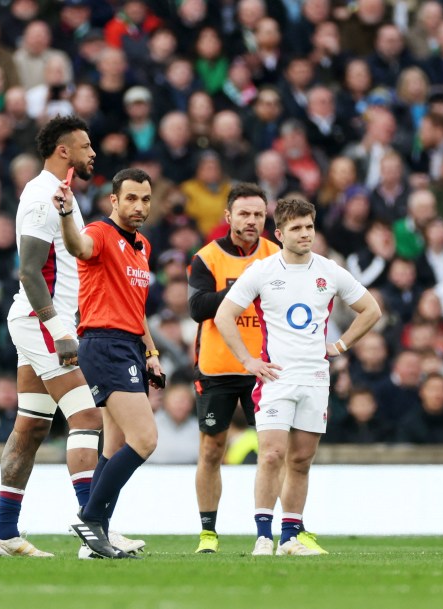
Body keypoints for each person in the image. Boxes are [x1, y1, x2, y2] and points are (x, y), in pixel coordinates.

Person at [0, 115, 140, 559]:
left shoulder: (60, 195)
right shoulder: (40, 196)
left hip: (40, 319)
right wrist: (59, 328)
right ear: (63, 151)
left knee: (33, 425)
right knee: (87, 419)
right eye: (86, 146)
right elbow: (29, 271)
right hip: (44, 321)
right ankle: (95, 532)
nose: (93, 153)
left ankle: (3, 533)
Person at [214, 197, 381, 556]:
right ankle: (262, 536)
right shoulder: (262, 271)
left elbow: (371, 310)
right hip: (276, 378)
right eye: (297, 229)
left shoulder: (330, 271)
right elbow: (223, 315)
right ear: (279, 233)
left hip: (316, 379)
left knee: (301, 460)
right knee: (271, 454)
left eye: (310, 227)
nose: (305, 234)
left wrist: (339, 346)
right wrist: (247, 360)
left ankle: (289, 537)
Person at [57, 167, 165, 559]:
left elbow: (137, 311)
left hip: (129, 345)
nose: (140, 206)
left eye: (146, 199)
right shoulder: (100, 234)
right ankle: (90, 519)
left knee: (116, 444)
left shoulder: (143, 247)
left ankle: (95, 536)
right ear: (114, 201)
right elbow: (77, 248)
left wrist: (151, 353)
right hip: (104, 344)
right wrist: (69, 215)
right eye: (131, 198)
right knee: (146, 439)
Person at [187, 182, 281, 554]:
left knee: (277, 451)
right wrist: (248, 285)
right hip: (218, 368)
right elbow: (198, 307)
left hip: (265, 368)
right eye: (244, 213)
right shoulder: (207, 258)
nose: (252, 221)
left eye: (259, 214)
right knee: (212, 451)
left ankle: (283, 529)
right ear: (228, 217)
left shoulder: (277, 254)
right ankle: (208, 533)